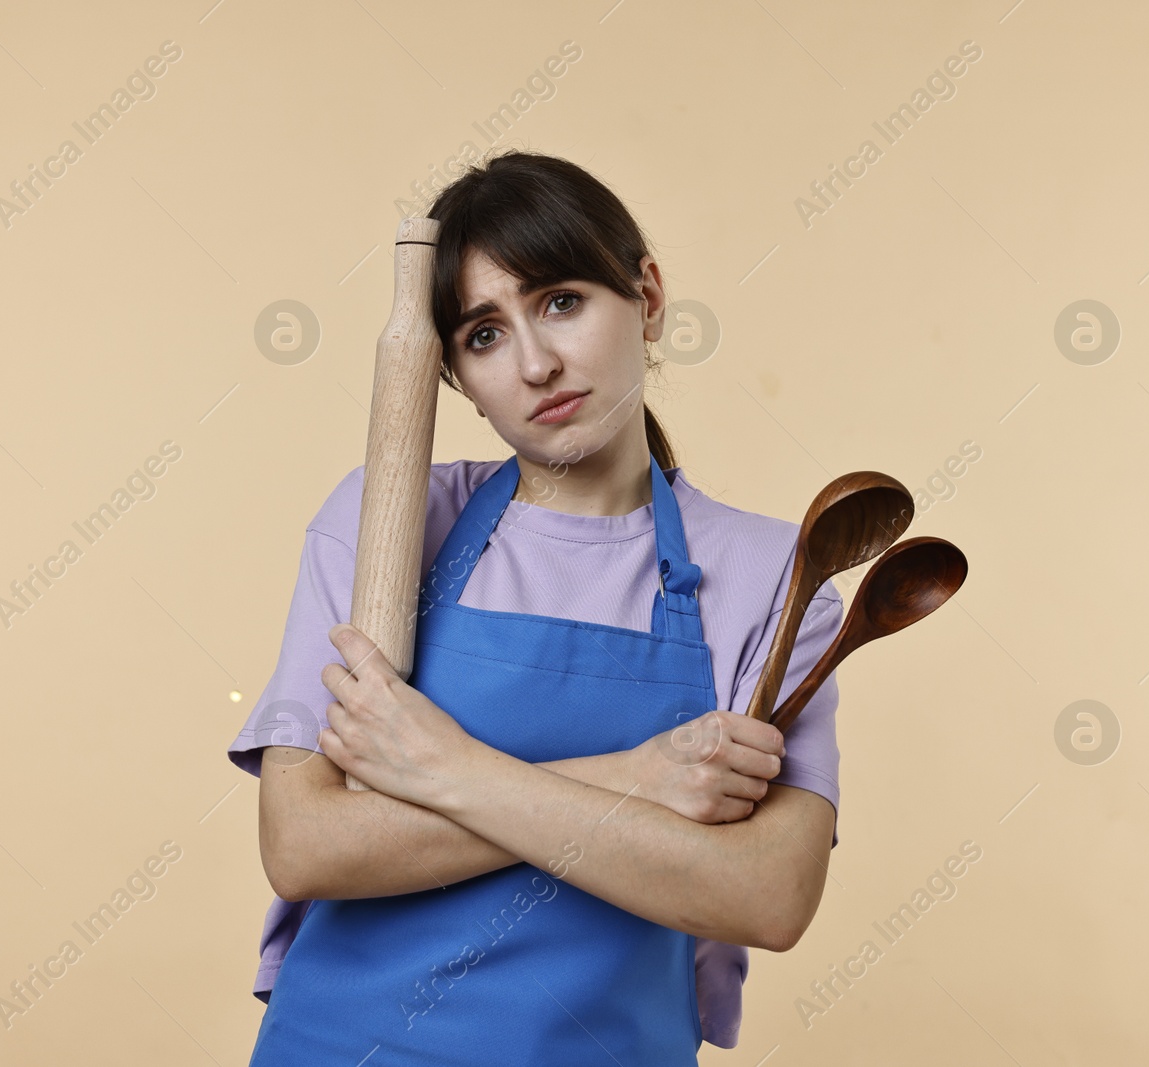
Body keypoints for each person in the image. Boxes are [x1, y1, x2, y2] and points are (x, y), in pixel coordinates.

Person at [228, 150, 844, 1064]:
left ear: (647, 295)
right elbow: (308, 844)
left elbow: (766, 896)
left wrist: (448, 767)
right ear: (455, 380)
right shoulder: (386, 521)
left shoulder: (772, 576)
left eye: (561, 300)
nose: (537, 362)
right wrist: (635, 777)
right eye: (483, 334)